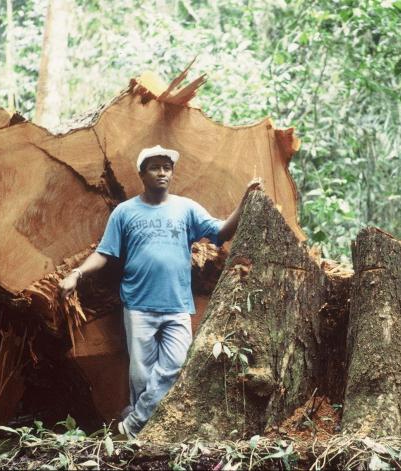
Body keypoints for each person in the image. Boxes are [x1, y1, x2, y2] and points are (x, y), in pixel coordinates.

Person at [58, 144, 262, 438]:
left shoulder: (186, 208)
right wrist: (75, 274)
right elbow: (105, 252)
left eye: (167, 167)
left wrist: (244, 202)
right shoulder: (125, 213)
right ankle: (145, 437)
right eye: (155, 167)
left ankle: (131, 426)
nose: (162, 172)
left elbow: (220, 231)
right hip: (138, 305)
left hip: (177, 304)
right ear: (142, 174)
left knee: (176, 367)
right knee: (141, 378)